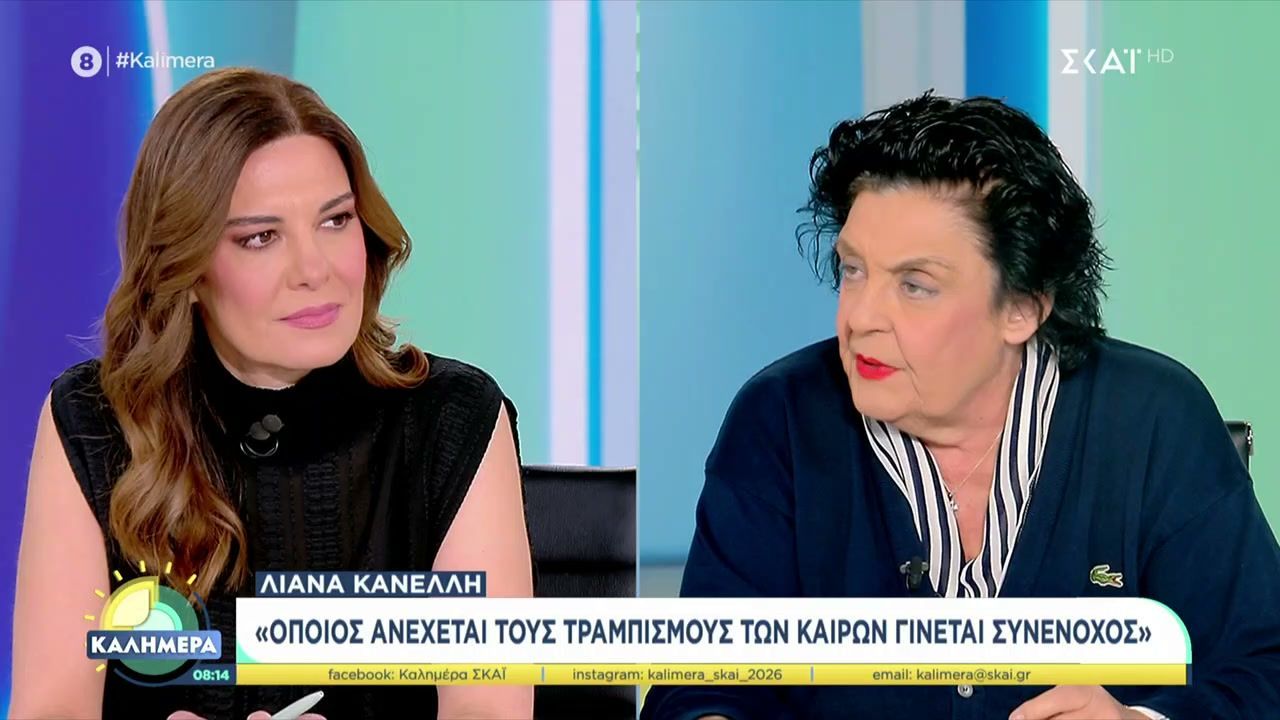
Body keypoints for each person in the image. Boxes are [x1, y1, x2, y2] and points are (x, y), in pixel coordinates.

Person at [640, 92, 1280, 720]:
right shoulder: (780, 417)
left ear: (1022, 307)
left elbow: (1263, 669)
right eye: (854, 270)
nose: (860, 318)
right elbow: (697, 685)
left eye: (915, 285)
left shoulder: (1152, 421)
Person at [10, 67, 534, 720]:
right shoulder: (95, 418)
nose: (315, 270)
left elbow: (487, 708)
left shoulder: (453, 417)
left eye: (335, 220)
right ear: (187, 269)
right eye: (261, 237)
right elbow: (52, 707)